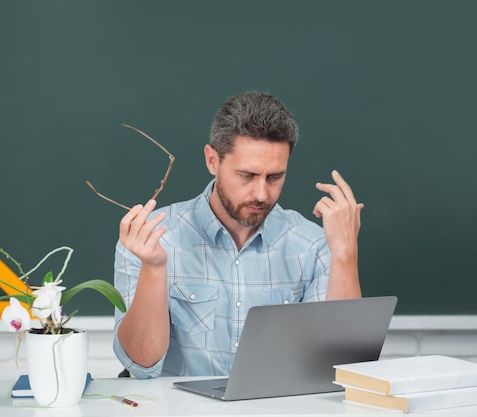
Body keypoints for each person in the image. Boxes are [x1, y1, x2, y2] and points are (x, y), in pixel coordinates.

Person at [113, 92, 364, 378]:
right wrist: (154, 269)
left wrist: (345, 254)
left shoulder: (313, 245)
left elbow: (341, 369)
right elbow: (141, 365)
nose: (261, 194)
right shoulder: (152, 239)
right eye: (246, 175)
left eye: (274, 177)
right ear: (212, 160)